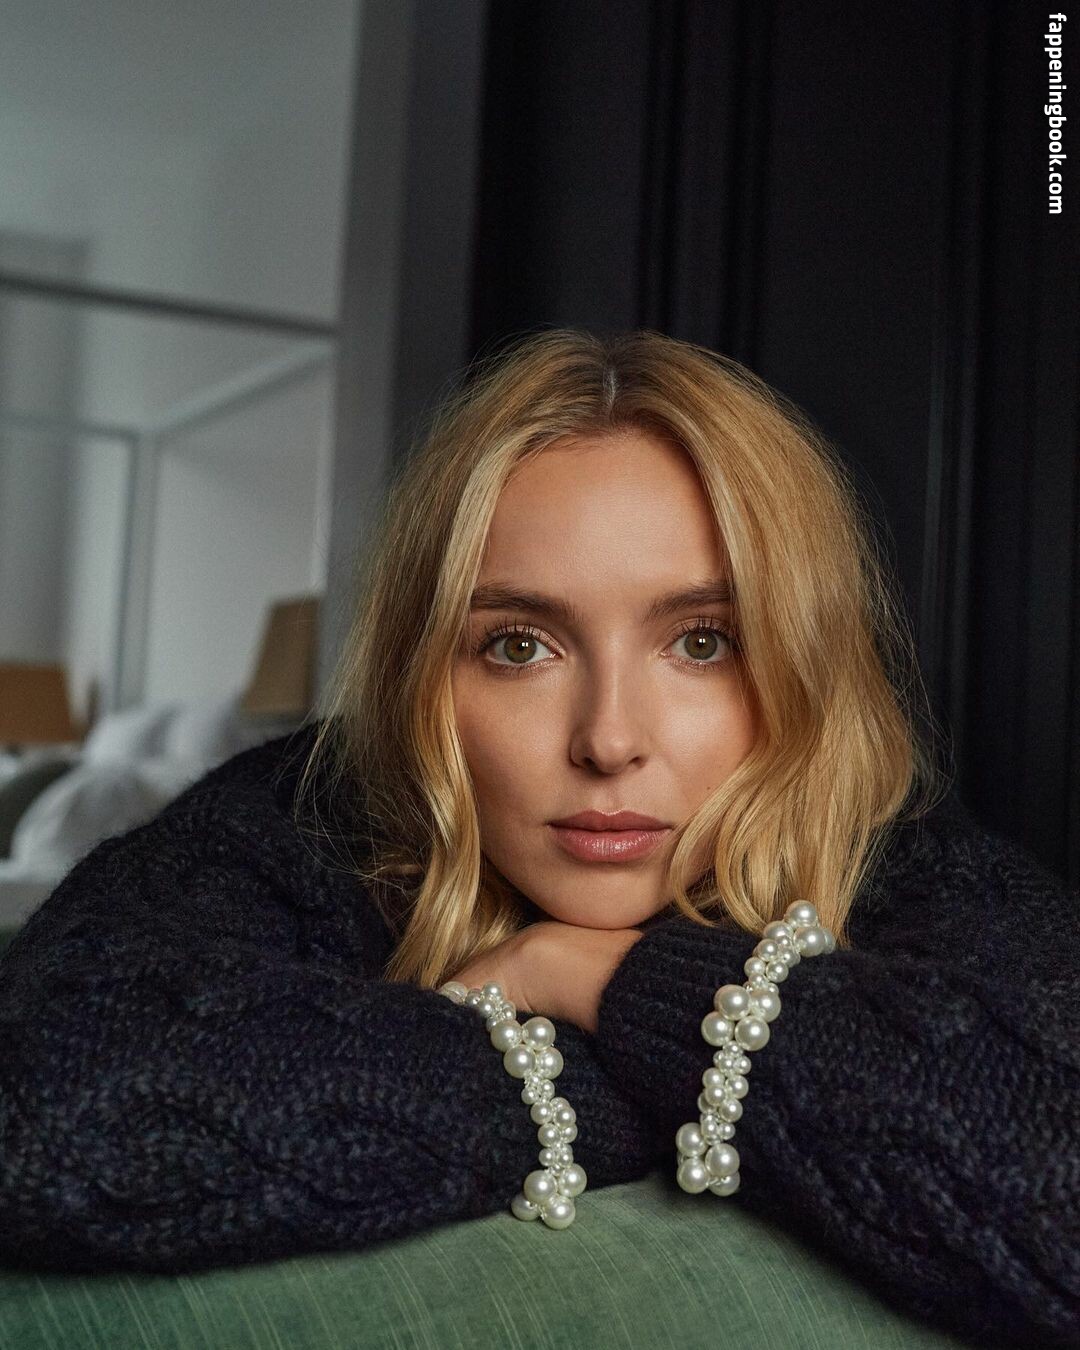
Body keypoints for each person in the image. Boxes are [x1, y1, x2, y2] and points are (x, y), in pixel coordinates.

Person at [0, 329, 1076, 1347]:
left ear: (803, 664)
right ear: (423, 676)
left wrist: (612, 983)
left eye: (704, 642)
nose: (609, 739)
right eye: (519, 645)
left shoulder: (892, 851)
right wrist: (575, 1085)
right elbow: (42, 1112)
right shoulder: (314, 808)